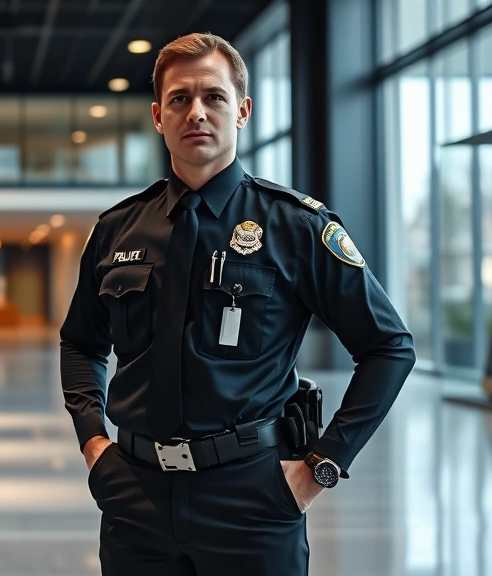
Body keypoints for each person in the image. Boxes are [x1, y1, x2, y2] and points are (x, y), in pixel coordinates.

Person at [59, 32, 415, 575]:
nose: (196, 112)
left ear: (243, 110)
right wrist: (94, 446)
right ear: (158, 115)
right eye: (179, 99)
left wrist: (321, 466)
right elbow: (81, 343)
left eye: (214, 97)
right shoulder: (117, 229)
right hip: (135, 498)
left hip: (253, 499)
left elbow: (389, 347)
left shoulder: (296, 227)